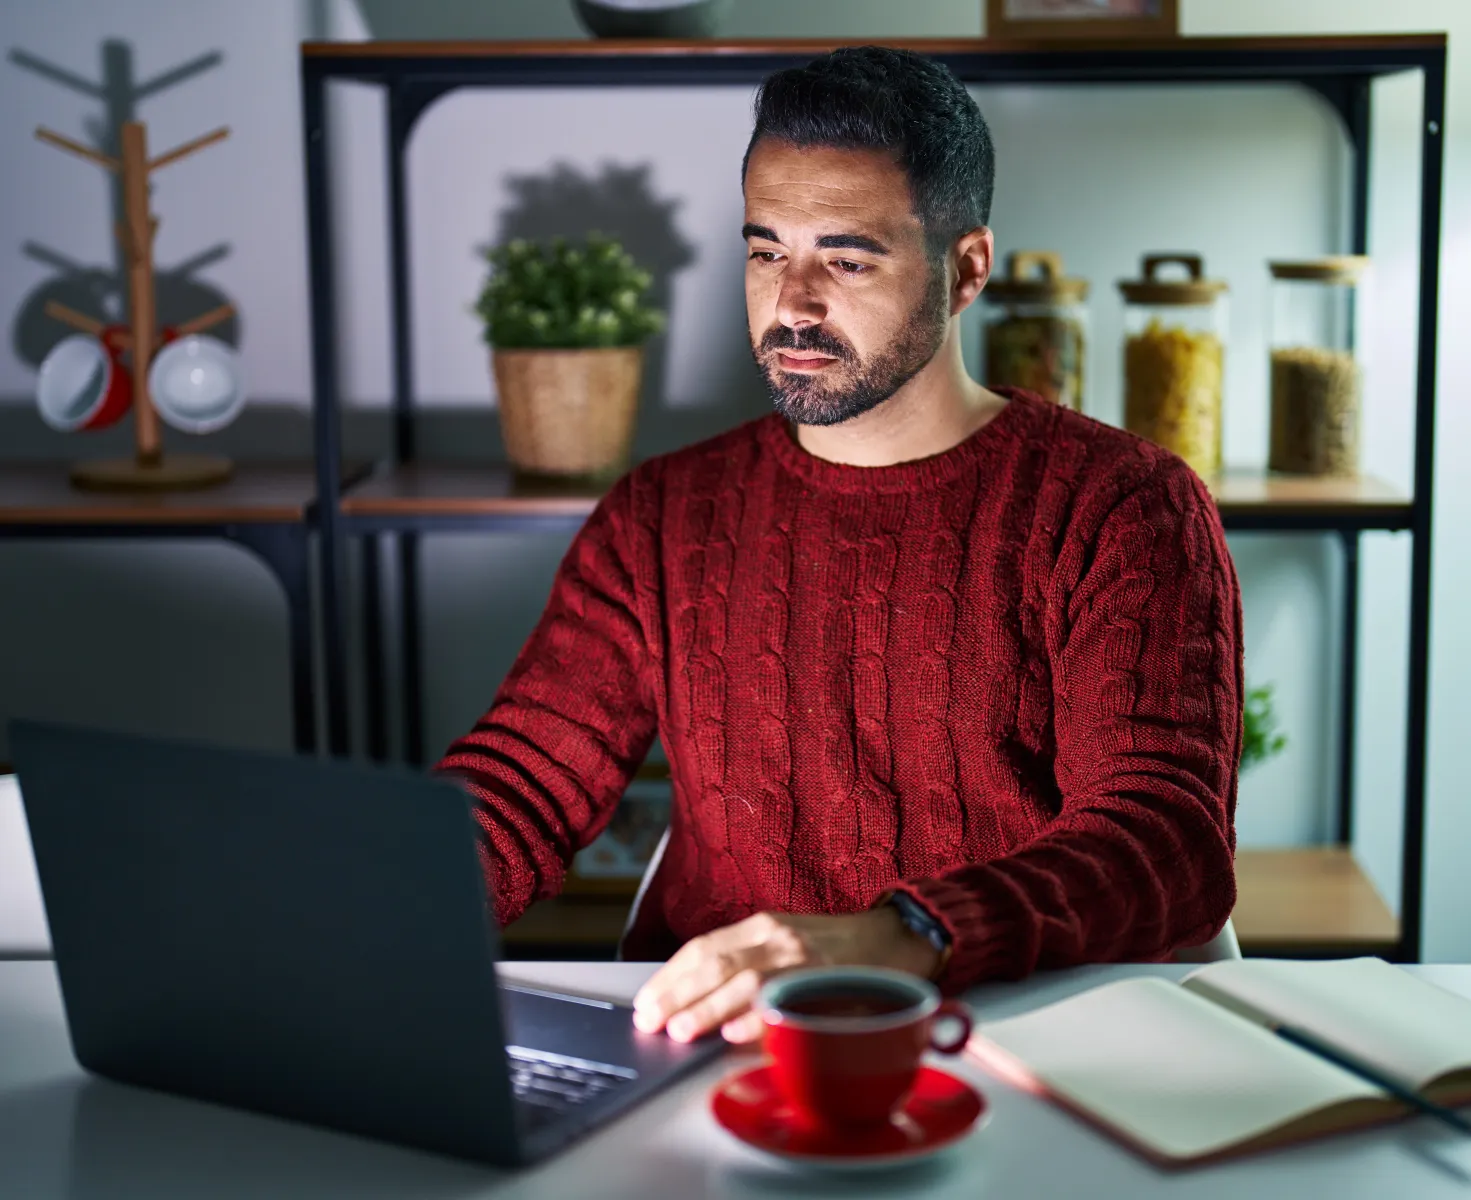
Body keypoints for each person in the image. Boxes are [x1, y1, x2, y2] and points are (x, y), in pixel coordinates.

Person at [437, 46, 1242, 1046]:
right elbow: (523, 783)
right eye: (766, 251)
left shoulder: (1125, 506)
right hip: (722, 1046)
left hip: (1022, 1042)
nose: (793, 305)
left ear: (966, 271)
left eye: (847, 260)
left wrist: (905, 934)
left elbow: (1160, 841)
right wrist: (350, 904)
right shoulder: (662, 514)